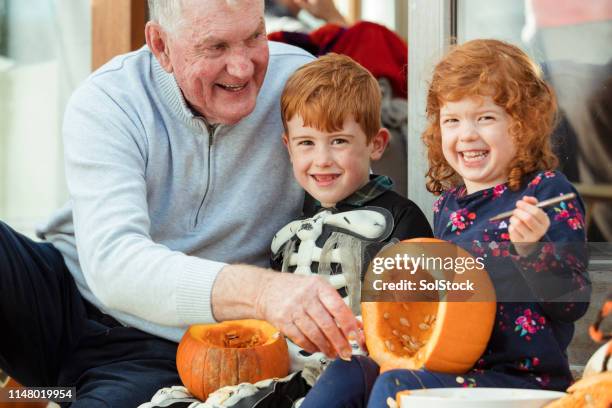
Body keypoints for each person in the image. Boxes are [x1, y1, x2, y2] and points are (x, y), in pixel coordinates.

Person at [0, 1, 366, 407]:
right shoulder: (110, 98)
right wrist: (262, 292)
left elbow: (363, 180)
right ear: (161, 45)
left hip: (173, 347)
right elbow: (114, 265)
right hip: (62, 295)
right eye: (215, 47)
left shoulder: (298, 85)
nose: (243, 68)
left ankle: (48, 396)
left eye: (254, 37)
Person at [300, 39, 591, 408]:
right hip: (449, 367)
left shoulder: (546, 192)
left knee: (398, 387)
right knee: (350, 369)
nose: (466, 134)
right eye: (452, 120)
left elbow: (572, 303)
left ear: (524, 122)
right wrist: (383, 319)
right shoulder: (448, 206)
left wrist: (533, 251)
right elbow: (444, 303)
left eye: (485, 117)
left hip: (521, 380)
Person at [140, 52, 433, 408]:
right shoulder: (290, 230)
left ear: (376, 143)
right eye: (307, 143)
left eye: (338, 141)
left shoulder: (402, 219)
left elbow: (418, 318)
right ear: (288, 147)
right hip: (280, 371)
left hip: (355, 373)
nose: (322, 159)